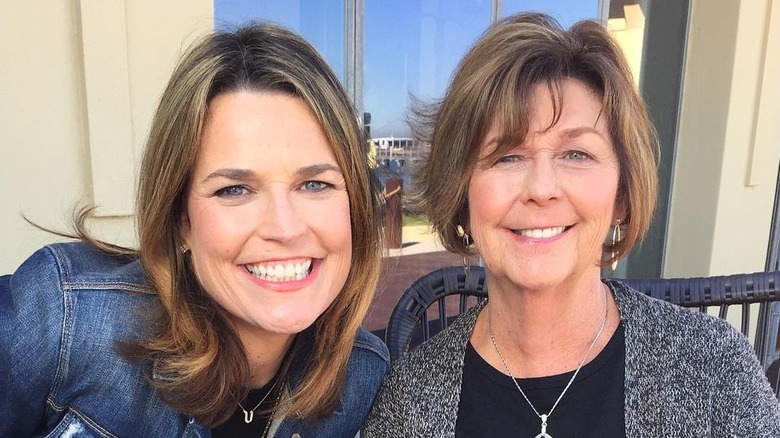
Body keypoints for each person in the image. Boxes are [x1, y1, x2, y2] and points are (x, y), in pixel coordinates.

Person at [363, 12, 780, 437]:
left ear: (621, 195)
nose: (542, 189)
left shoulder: (711, 370)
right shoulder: (411, 398)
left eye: (576, 154)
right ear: (463, 198)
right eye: (507, 156)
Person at [0, 22, 389, 437]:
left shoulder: (363, 376)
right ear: (181, 219)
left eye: (315, 184)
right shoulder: (61, 317)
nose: (285, 227)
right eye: (234, 189)